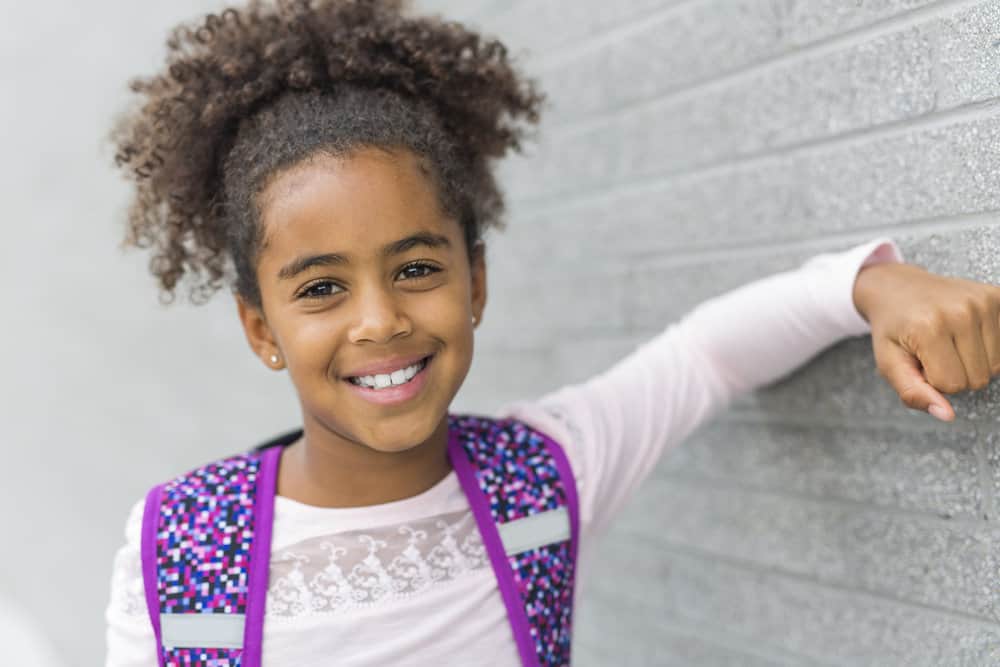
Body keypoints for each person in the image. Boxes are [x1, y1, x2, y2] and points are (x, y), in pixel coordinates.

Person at [104, 1, 1000, 665]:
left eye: (417, 268)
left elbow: (705, 356)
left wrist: (873, 286)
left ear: (476, 281)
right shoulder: (181, 550)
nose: (379, 319)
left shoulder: (537, 480)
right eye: (323, 287)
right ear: (260, 328)